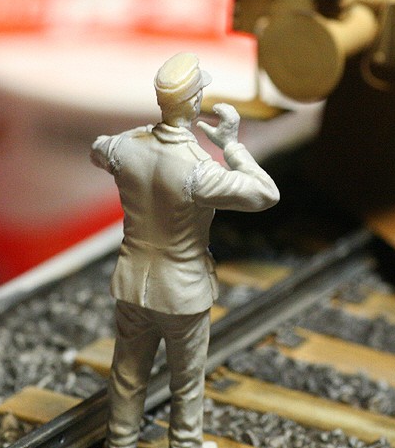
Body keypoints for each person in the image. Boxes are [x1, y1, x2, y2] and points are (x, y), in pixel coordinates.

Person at [90, 52, 280, 448]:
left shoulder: (125, 147)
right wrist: (232, 146)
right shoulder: (198, 170)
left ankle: (120, 441)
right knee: (186, 380)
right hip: (182, 292)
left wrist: (140, 134)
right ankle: (185, 444)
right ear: (194, 102)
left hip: (132, 284)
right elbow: (266, 193)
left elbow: (98, 148)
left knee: (127, 373)